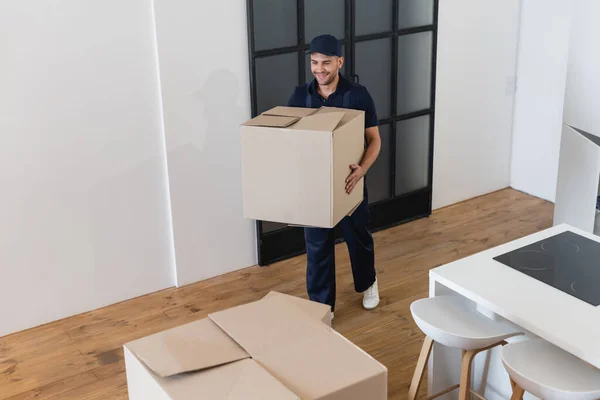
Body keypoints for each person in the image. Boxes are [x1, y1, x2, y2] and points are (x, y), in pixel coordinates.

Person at [287, 34, 381, 320]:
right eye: (314, 63)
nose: (320, 69)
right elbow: (291, 140)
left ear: (339, 62)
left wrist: (363, 170)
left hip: (348, 183)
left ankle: (368, 283)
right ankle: (322, 307)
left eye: (326, 62)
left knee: (358, 239)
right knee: (316, 245)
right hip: (315, 187)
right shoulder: (300, 95)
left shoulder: (357, 94)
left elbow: (374, 139)